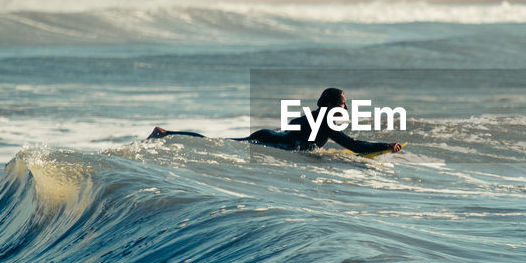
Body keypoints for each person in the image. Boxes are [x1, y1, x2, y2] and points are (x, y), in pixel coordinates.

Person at [146, 87, 403, 155]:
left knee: (221, 141)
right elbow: (354, 145)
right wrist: (385, 145)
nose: (345, 106)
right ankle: (166, 132)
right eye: (342, 102)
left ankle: (167, 133)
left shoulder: (316, 116)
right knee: (217, 142)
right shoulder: (325, 120)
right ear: (331, 104)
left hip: (272, 136)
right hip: (269, 139)